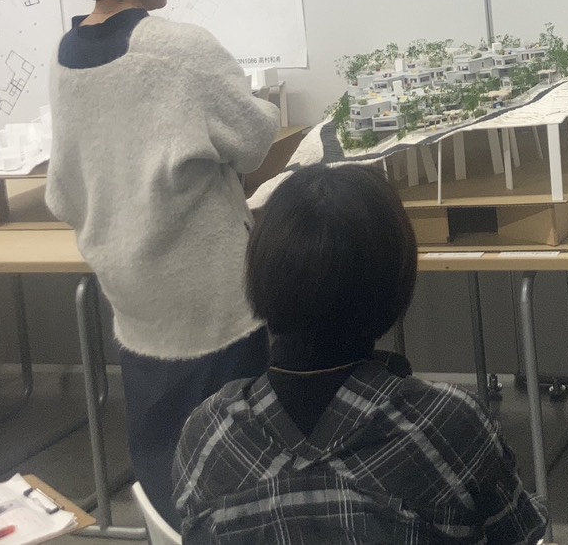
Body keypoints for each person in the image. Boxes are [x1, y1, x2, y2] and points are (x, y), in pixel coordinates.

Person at [46, 0, 280, 530]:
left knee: (164, 462)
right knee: (234, 464)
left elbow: (62, 193)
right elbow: (253, 140)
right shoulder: (180, 50)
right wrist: (265, 108)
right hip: (212, 302)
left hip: (134, 304)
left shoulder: (65, 57)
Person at [173, 164, 547, 545]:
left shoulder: (206, 438)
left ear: (260, 270)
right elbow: (519, 533)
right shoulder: (447, 427)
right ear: (395, 282)